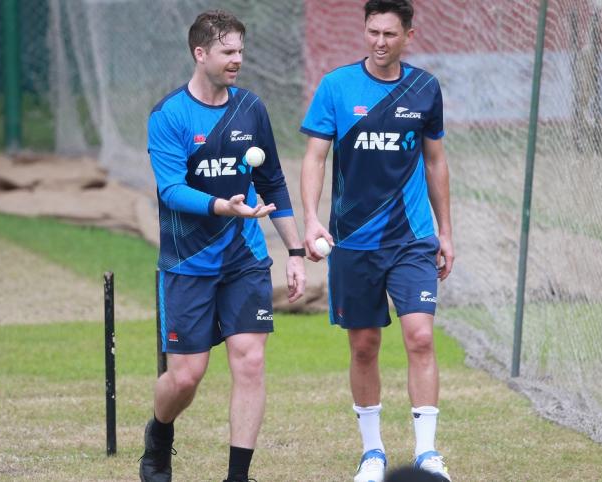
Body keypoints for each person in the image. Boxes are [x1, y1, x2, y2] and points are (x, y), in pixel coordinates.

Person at [139, 10, 306, 482]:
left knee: (250, 361)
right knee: (186, 377)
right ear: (200, 53)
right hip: (188, 260)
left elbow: (272, 182)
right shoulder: (169, 115)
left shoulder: (251, 108)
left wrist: (294, 252)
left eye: (240, 51)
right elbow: (170, 189)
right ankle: (159, 432)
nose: (237, 60)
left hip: (244, 258)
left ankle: (238, 476)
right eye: (228, 51)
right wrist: (222, 206)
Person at [299, 1, 454, 481]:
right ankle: (373, 453)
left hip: (412, 237)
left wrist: (446, 230)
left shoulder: (424, 88)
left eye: (390, 34)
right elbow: (315, 157)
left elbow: (435, 162)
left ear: (409, 34)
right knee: (364, 345)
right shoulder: (337, 87)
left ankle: (427, 454)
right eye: (372, 32)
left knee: (421, 337)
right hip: (353, 241)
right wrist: (310, 218)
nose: (380, 42)